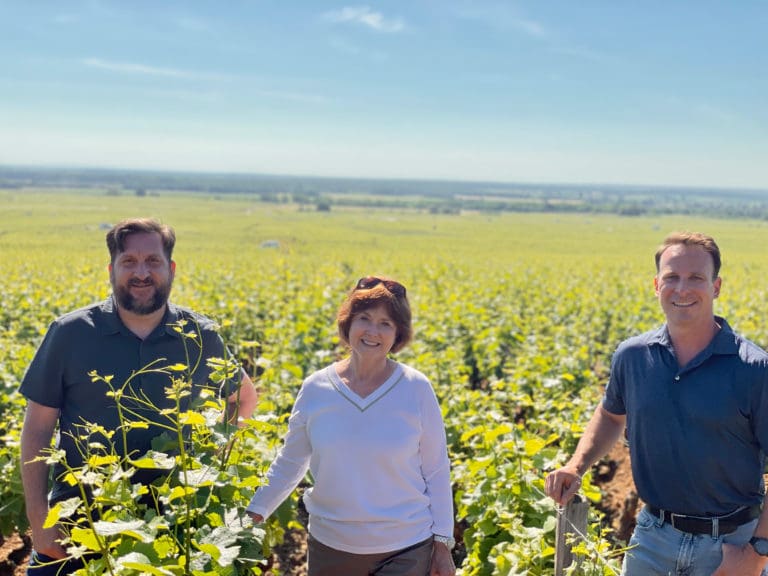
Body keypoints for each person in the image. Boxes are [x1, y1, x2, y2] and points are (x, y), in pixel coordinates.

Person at [19, 217, 258, 575]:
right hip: (80, 522)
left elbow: (243, 399)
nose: (141, 272)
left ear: (171, 269)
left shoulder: (198, 335)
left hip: (176, 524)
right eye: (129, 261)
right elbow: (37, 430)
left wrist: (211, 464)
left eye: (153, 261)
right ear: (111, 270)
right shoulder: (70, 334)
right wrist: (40, 520)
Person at [545, 231, 768, 576]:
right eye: (671, 277)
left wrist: (756, 554)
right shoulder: (633, 356)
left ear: (717, 286)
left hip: (730, 546)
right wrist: (577, 465)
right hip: (651, 541)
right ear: (656, 285)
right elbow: (609, 415)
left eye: (696, 278)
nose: (682, 289)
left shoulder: (753, 368)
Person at [246, 276, 455, 576]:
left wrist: (442, 543)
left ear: (398, 334)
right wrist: (253, 513)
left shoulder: (416, 389)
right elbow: (291, 462)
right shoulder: (316, 388)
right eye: (365, 319)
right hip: (331, 547)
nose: (373, 331)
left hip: (406, 547)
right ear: (348, 324)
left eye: (386, 323)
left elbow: (436, 469)